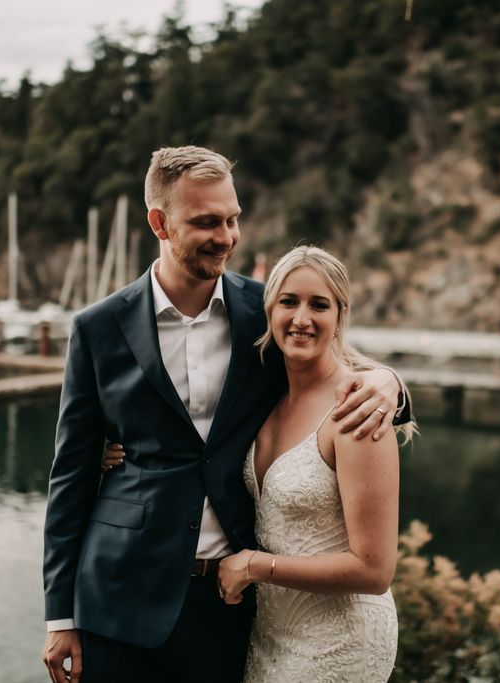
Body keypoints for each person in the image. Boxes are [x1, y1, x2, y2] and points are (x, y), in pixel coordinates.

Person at [42, 146, 409, 683]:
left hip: (225, 601)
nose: (227, 236)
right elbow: (69, 476)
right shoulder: (97, 328)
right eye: (207, 222)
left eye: (233, 219)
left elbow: (333, 366)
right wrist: (60, 614)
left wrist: (391, 382)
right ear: (159, 223)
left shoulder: (264, 311)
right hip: (118, 594)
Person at [221, 246, 412, 681]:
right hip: (272, 632)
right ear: (269, 310)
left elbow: (375, 569)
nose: (301, 318)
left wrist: (253, 566)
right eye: (288, 301)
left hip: (341, 638)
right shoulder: (267, 394)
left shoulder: (356, 409)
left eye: (318, 305)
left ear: (340, 315)